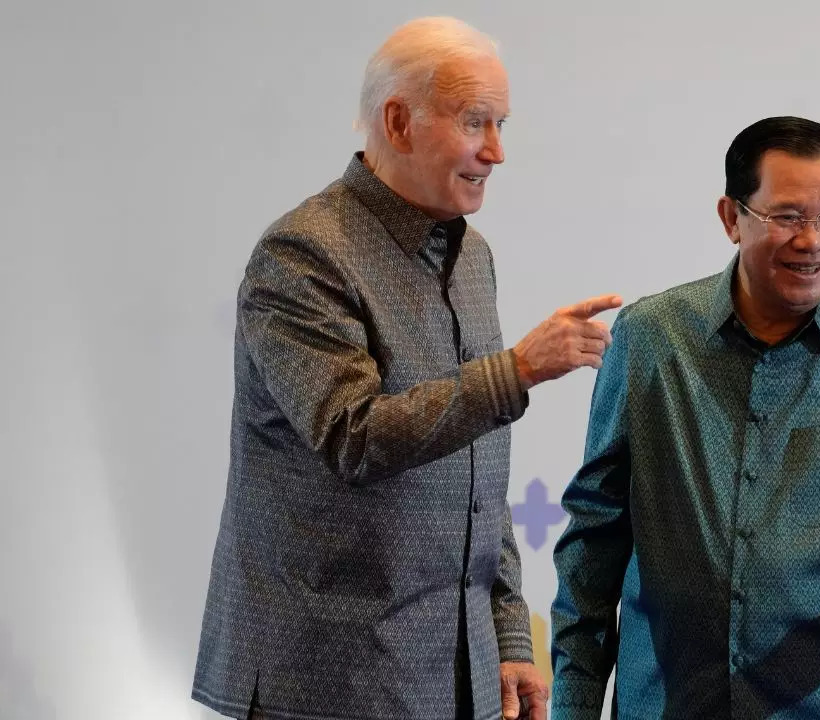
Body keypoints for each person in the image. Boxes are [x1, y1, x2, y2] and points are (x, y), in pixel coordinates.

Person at [192, 17, 620, 720]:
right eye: (476, 121)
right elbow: (352, 435)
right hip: (327, 682)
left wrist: (508, 635)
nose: (497, 151)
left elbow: (479, 476)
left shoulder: (472, 256)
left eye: (502, 122)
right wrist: (515, 372)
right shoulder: (303, 255)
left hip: (457, 675)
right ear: (398, 120)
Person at [550, 116, 820, 720]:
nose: (812, 240)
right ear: (731, 217)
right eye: (786, 217)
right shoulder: (651, 339)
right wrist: (573, 705)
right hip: (669, 703)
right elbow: (596, 537)